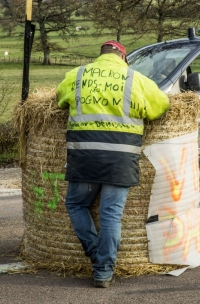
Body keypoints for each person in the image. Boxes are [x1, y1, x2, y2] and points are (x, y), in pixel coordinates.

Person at [56, 40, 169, 288]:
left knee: (76, 204)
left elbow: (59, 99)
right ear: (123, 58)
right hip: (120, 157)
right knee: (111, 214)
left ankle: (95, 253)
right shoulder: (135, 79)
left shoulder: (77, 74)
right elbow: (161, 106)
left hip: (85, 155)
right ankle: (103, 270)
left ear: (100, 56)